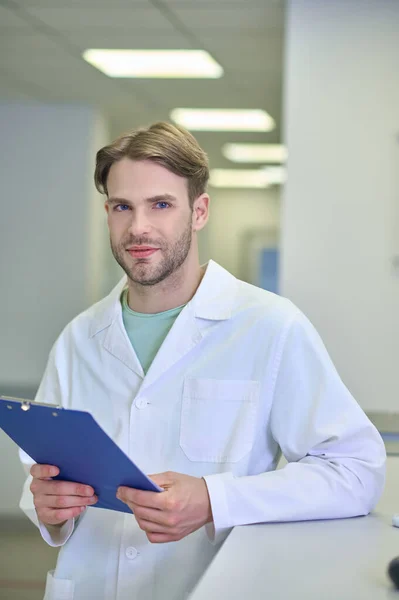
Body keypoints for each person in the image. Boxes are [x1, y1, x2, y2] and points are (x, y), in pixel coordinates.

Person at [19, 122, 386, 600]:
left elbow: (355, 472)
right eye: (122, 207)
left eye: (161, 205)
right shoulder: (79, 339)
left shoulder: (269, 326)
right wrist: (49, 509)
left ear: (199, 211)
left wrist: (215, 499)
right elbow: (43, 479)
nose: (138, 228)